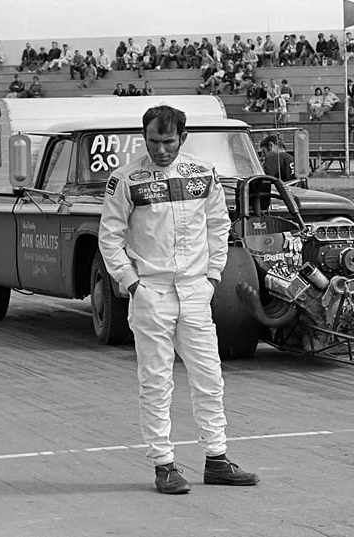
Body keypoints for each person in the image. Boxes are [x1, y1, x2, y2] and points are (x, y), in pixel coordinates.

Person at [99, 105, 259, 495]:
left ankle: (217, 459)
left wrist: (213, 276)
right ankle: (164, 465)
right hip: (151, 293)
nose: (161, 149)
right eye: (153, 141)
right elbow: (109, 238)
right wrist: (132, 284)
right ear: (143, 137)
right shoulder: (126, 180)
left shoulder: (203, 173)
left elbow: (219, 225)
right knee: (156, 381)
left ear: (182, 138)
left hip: (195, 292)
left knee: (210, 377)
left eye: (169, 141)